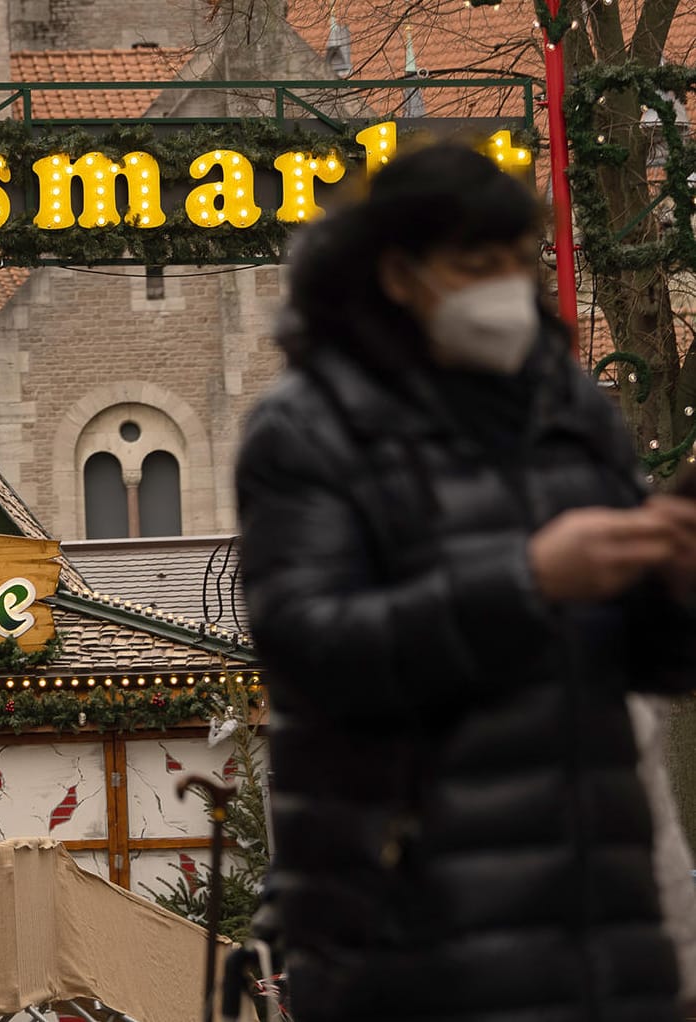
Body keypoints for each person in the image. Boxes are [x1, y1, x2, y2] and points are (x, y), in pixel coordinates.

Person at [237, 142, 696, 1022]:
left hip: (600, 924)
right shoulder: (310, 431)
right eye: (476, 266)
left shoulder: (568, 406)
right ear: (400, 275)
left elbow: (646, 664)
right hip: (417, 934)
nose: (506, 289)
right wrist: (527, 579)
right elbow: (312, 645)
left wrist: (671, 582)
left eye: (521, 263)